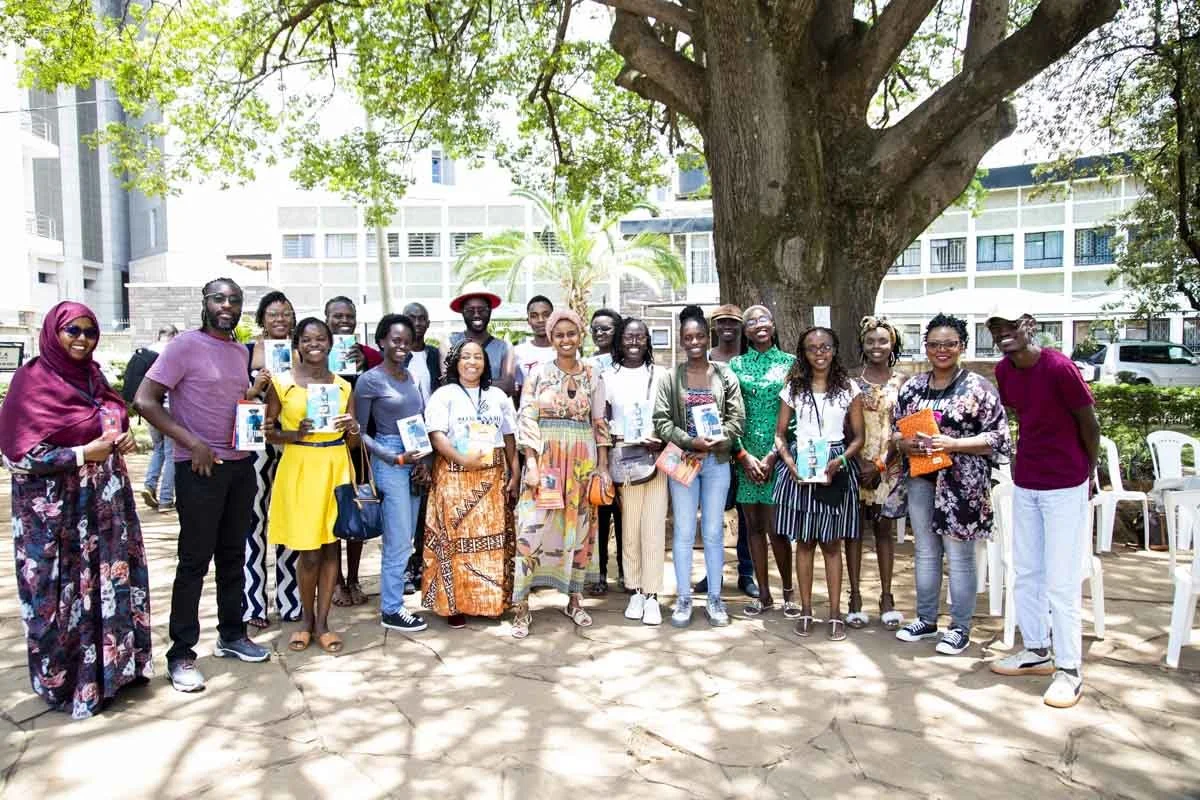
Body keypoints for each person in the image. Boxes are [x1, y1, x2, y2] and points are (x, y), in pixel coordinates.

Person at [0, 302, 152, 719]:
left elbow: (112, 411)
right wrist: (82, 452)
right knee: (57, 594)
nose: (82, 339)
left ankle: (112, 673)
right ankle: (68, 682)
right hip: (54, 517)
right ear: (54, 332)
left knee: (108, 585)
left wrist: (119, 437)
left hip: (105, 506)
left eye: (89, 331)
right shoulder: (32, 382)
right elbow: (18, 456)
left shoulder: (94, 376)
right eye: (73, 330)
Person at [135, 278, 271, 693]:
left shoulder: (236, 351)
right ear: (205, 302)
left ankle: (231, 634)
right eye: (219, 298)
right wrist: (191, 442)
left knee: (233, 555)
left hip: (238, 466)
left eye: (234, 300)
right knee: (194, 562)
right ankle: (181, 654)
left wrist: (254, 404)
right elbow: (145, 400)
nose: (227, 305)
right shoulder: (183, 346)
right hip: (199, 470)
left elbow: (229, 401)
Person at [987, 310, 1099, 709]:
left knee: (1061, 580)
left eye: (1011, 328)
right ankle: (1036, 649)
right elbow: (1020, 417)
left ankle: (1069, 669)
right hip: (1028, 482)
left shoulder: (1058, 367)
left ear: (1029, 327)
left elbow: (1089, 421)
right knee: (1026, 569)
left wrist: (1089, 470)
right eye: (996, 330)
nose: (1004, 335)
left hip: (1065, 483)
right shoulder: (1004, 371)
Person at [892, 313, 1010, 657]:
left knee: (959, 557)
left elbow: (998, 438)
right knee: (926, 552)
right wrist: (904, 443)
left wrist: (954, 444)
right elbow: (896, 429)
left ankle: (960, 627)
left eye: (950, 344)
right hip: (921, 479)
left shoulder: (978, 388)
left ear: (962, 346)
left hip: (962, 484)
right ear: (925, 348)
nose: (941, 350)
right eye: (934, 344)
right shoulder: (913, 387)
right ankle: (926, 620)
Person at [511, 309, 611, 638]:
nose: (565, 340)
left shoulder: (594, 373)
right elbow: (526, 417)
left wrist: (603, 467)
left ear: (580, 335)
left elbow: (599, 423)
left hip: (582, 462)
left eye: (571, 334)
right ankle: (522, 606)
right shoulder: (538, 373)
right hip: (548, 459)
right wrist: (532, 463)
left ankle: (575, 600)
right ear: (551, 339)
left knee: (578, 532)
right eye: (559, 335)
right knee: (532, 529)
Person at [265, 318, 359, 653]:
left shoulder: (344, 386)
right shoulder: (282, 383)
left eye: (320, 338)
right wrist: (295, 433)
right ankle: (305, 620)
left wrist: (352, 427)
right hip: (301, 465)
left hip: (334, 465)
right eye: (306, 339)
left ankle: (323, 623)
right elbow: (268, 430)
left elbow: (351, 442)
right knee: (308, 550)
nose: (314, 344)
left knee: (332, 545)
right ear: (297, 344)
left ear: (331, 344)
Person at [654, 305, 746, 628]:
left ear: (708, 338)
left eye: (699, 336)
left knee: (711, 532)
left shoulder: (725, 375)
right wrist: (690, 442)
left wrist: (720, 440)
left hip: (717, 462)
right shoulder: (670, 378)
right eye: (687, 337)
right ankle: (682, 598)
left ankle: (715, 598)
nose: (694, 342)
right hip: (685, 460)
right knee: (682, 530)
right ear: (681, 341)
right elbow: (661, 421)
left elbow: (738, 419)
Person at [772, 327, 865, 641]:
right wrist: (788, 462)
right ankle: (807, 609)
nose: (819, 353)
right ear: (804, 353)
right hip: (803, 462)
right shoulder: (794, 388)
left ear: (835, 349)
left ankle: (835, 613)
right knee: (805, 543)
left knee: (831, 543)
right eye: (812, 348)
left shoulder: (848, 388)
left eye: (825, 347)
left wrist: (841, 460)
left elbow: (859, 437)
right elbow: (781, 434)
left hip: (835, 464)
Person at [422, 339, 520, 628]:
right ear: (456, 362)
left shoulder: (498, 396)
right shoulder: (444, 395)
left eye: (478, 357)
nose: (472, 362)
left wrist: (514, 474)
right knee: (454, 544)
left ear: (485, 363)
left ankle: (491, 602)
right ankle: (455, 606)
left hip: (492, 478)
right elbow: (436, 435)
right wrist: (463, 460)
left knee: (493, 544)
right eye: (465, 356)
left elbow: (510, 436)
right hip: (454, 475)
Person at [354, 314, 430, 633]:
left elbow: (418, 420)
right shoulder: (370, 380)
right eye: (395, 340)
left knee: (408, 535)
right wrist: (394, 458)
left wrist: (423, 461)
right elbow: (358, 431)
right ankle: (391, 608)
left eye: (406, 340)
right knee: (398, 538)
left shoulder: (410, 377)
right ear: (382, 341)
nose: (401, 345)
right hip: (391, 459)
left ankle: (395, 601)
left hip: (416, 456)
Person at [729, 305, 796, 618]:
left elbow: (795, 415)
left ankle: (788, 593)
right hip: (745, 456)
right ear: (745, 331)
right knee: (753, 527)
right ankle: (764, 595)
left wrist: (773, 455)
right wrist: (743, 455)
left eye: (764, 319)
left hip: (778, 456)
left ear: (773, 324)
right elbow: (730, 411)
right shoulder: (736, 364)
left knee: (777, 529)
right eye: (751, 321)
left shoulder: (790, 363)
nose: (759, 324)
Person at [242, 291, 300, 630]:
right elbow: (234, 398)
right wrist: (255, 389)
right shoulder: (247, 352)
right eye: (273, 314)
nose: (280, 319)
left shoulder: (301, 352)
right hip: (257, 448)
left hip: (292, 446)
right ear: (262, 318)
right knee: (254, 523)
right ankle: (254, 604)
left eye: (286, 314)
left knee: (288, 519)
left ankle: (291, 600)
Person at [606, 317, 669, 625]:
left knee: (654, 529)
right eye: (628, 337)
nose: (634, 342)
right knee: (629, 529)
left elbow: (673, 418)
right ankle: (634, 590)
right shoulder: (607, 376)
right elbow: (600, 422)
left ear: (648, 341)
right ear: (619, 341)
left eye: (640, 337)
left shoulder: (662, 375)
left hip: (655, 457)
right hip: (623, 459)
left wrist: (663, 439)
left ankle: (653, 595)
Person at [848, 316, 906, 630]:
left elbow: (903, 429)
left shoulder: (903, 382)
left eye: (883, 341)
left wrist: (881, 464)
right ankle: (854, 596)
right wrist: (858, 464)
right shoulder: (851, 382)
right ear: (863, 344)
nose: (876, 346)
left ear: (893, 343)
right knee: (854, 531)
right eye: (870, 341)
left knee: (884, 531)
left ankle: (886, 597)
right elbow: (846, 428)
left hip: (888, 468)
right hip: (856, 466)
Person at [701, 303, 758, 600]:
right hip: (713, 449)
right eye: (722, 322)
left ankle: (746, 573)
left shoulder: (749, 360)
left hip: (746, 446)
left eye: (733, 323)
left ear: (741, 327)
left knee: (747, 515)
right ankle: (713, 573)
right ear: (714, 326)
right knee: (713, 513)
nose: (727, 327)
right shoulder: (705, 357)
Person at [325, 296, 379, 610]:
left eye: (349, 317)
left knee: (357, 505)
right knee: (331, 509)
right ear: (326, 318)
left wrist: (365, 364)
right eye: (337, 316)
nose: (344, 321)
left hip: (357, 442)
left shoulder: (367, 354)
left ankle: (355, 576)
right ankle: (337, 582)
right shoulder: (316, 352)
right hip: (326, 444)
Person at [400, 301, 442, 593]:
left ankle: (418, 565)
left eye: (422, 318)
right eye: (411, 317)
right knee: (402, 508)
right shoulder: (394, 354)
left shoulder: (433, 355)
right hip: (398, 438)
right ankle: (401, 569)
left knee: (424, 506)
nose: (417, 322)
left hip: (428, 437)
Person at [587, 307, 625, 594]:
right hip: (594, 447)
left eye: (607, 328)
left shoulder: (627, 363)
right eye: (596, 328)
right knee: (599, 512)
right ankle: (599, 573)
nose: (600, 333)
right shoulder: (586, 364)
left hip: (624, 447)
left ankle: (625, 571)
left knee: (623, 514)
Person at [449, 283, 516, 395]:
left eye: (482, 310)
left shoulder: (504, 347)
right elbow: (449, 383)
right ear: (462, 312)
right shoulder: (451, 343)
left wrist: (467, 381)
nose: (476, 315)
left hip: (493, 409)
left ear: (490, 310)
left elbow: (508, 386)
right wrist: (494, 383)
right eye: (470, 310)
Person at [141, 324, 178, 513]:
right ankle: (165, 499)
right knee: (171, 453)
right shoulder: (173, 352)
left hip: (149, 408)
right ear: (174, 336)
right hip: (169, 409)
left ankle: (149, 484)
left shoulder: (146, 351)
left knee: (158, 449)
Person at [514, 295, 556, 389]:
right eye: (534, 316)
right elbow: (517, 389)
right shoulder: (518, 352)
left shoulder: (565, 350)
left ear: (553, 318)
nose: (540, 320)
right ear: (528, 321)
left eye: (546, 315)